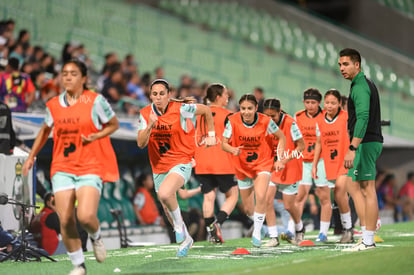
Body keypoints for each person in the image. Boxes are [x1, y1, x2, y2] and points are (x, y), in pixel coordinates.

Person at [22, 59, 119, 275]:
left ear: (84, 78)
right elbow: (45, 130)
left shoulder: (95, 101)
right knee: (65, 218)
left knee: (84, 217)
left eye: (73, 73)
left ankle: (96, 236)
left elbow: (114, 124)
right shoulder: (54, 105)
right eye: (64, 73)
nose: (67, 77)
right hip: (62, 166)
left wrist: (97, 135)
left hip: (90, 166)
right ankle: (79, 265)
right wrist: (31, 157)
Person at [137, 79, 216, 257]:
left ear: (168, 95)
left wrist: (211, 135)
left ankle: (179, 227)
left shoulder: (181, 109)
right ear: (150, 96)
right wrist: (150, 124)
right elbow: (141, 143)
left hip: (181, 160)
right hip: (159, 166)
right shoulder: (144, 114)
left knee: (165, 194)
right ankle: (187, 239)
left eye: (162, 94)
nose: (158, 98)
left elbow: (206, 110)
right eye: (154, 94)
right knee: (166, 207)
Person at [221, 94, 286, 248]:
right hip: (242, 167)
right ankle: (260, 226)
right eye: (243, 108)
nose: (246, 112)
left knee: (261, 195)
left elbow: (281, 137)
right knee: (249, 208)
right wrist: (233, 149)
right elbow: (223, 143)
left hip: (262, 164)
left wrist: (279, 158)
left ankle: (256, 231)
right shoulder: (232, 121)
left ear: (256, 108)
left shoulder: (266, 121)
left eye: (250, 108)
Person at [339, 48, 384, 251]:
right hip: (366, 141)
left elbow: (363, 117)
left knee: (367, 188)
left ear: (357, 65)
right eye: (340, 65)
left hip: (365, 142)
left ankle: (368, 239)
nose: (342, 68)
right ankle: (367, 230)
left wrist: (352, 147)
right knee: (353, 185)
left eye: (346, 64)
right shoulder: (361, 84)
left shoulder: (360, 86)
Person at [312, 89, 361, 243]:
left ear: (340, 103)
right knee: (337, 197)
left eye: (333, 103)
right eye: (327, 103)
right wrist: (314, 164)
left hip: (345, 162)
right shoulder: (319, 121)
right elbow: (319, 143)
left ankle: (349, 229)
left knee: (340, 192)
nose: (330, 106)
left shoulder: (346, 118)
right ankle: (345, 230)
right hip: (329, 163)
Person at [194, 83, 239, 244]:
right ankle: (217, 223)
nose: (228, 97)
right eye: (226, 94)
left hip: (202, 161)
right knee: (233, 195)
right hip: (222, 161)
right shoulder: (229, 115)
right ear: (218, 97)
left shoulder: (199, 115)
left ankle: (211, 234)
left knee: (209, 196)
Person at [263, 98, 305, 246]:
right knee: (266, 200)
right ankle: (274, 237)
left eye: (272, 116)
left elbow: (301, 146)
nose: (270, 120)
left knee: (288, 206)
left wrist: (284, 161)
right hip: (273, 167)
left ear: (279, 112)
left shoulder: (291, 123)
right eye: (266, 116)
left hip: (291, 166)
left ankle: (299, 228)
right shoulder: (264, 123)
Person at [294, 88, 331, 243]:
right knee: (300, 196)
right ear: (304, 102)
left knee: (324, 195)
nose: (310, 106)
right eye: (307, 102)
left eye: (313, 102)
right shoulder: (298, 116)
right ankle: (294, 229)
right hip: (303, 160)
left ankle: (323, 232)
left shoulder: (325, 117)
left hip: (321, 160)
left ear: (319, 103)